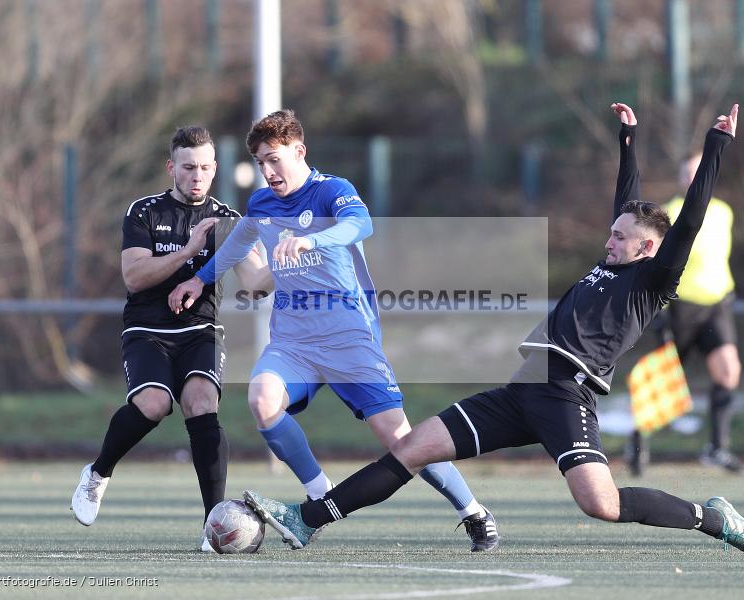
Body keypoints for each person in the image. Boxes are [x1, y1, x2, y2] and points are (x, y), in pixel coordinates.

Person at [242, 103, 744, 556]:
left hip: (567, 396)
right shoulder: (614, 261)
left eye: (619, 237)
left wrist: (716, 143)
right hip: (523, 388)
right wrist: (627, 141)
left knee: (602, 504)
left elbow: (693, 218)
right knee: (412, 447)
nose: (608, 240)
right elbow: (627, 202)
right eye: (611, 233)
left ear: (648, 249)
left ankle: (712, 519)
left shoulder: (652, 278)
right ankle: (307, 519)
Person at [169, 109, 500, 551]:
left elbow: (360, 225)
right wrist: (199, 278)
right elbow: (238, 243)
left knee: (402, 441)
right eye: (261, 163)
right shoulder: (263, 204)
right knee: (262, 399)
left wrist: (312, 238)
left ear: (299, 151)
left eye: (275, 159)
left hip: (350, 338)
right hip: (294, 342)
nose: (267, 171)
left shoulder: (332, 192)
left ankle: (473, 511)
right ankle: (319, 494)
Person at [70, 126, 272, 553]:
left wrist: (290, 259)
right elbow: (135, 275)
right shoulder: (143, 212)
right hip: (147, 331)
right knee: (155, 403)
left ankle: (212, 525)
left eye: (204, 168)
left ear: (215, 169)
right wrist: (189, 249)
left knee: (202, 402)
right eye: (188, 168)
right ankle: (98, 472)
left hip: (201, 330)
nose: (197, 176)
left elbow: (255, 281)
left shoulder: (229, 220)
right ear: (171, 168)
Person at [627, 155, 743, 474]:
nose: (694, 180)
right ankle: (637, 441)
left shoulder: (723, 212)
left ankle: (717, 448)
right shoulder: (670, 213)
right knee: (663, 382)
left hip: (716, 305)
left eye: (698, 173)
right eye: (687, 174)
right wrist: (658, 310)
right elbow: (657, 265)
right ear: (680, 179)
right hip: (679, 307)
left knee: (728, 371)